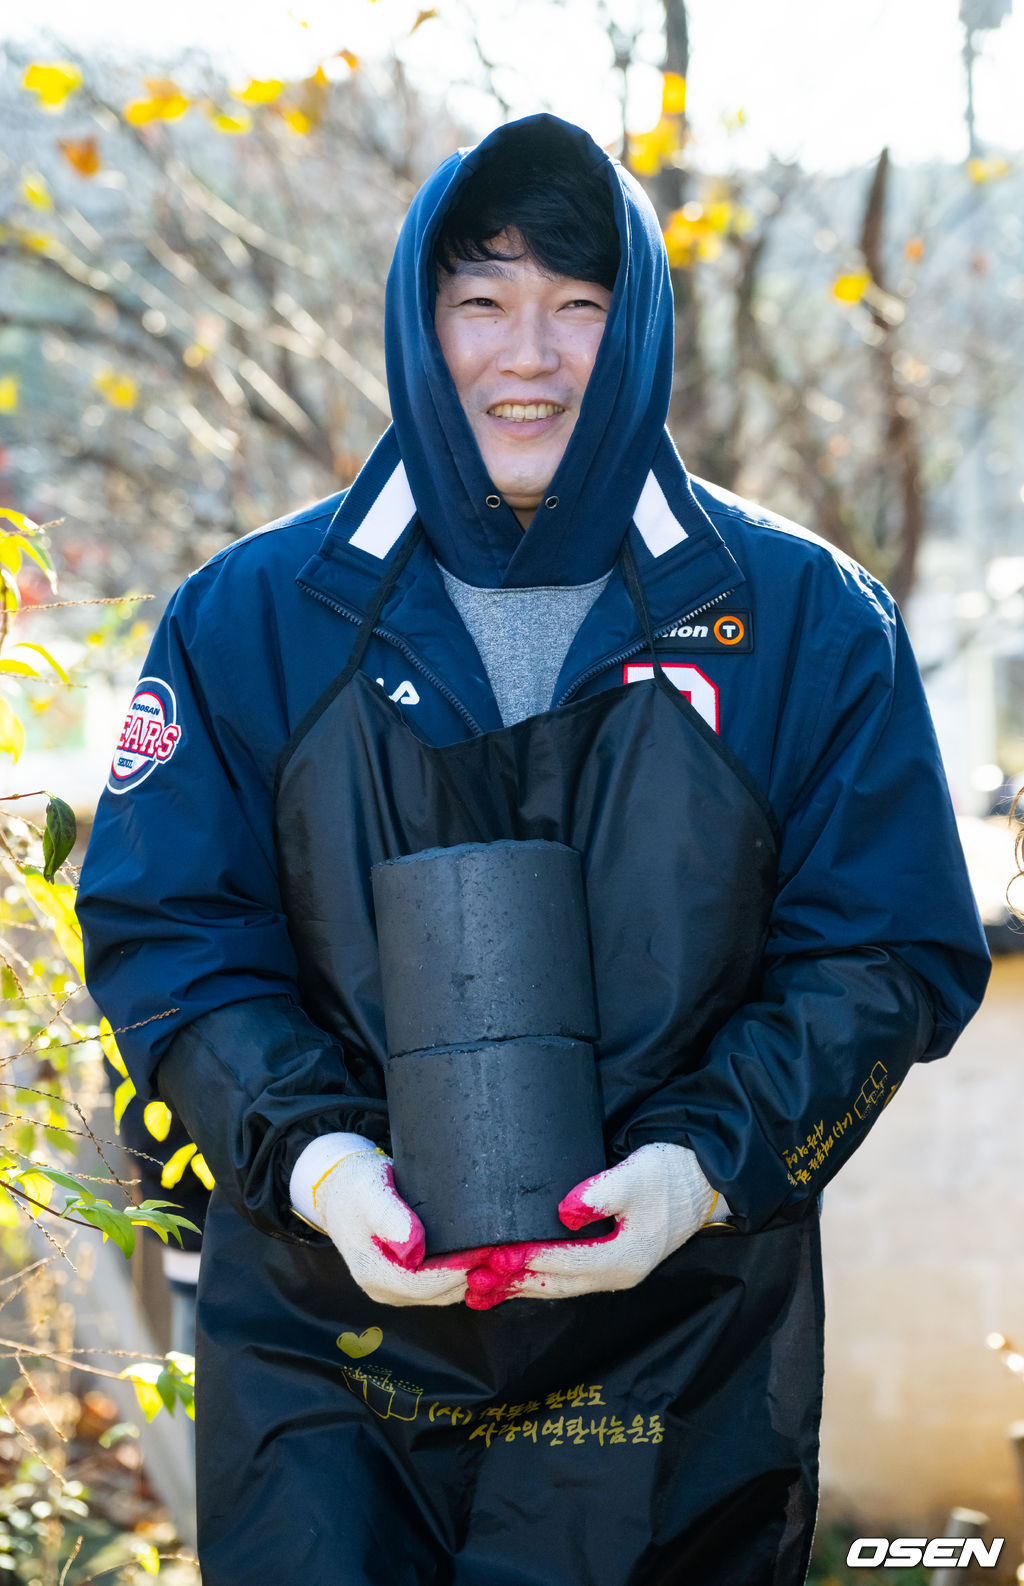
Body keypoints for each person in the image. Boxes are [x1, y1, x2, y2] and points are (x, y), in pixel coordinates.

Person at [77, 115, 990, 1586]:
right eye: (483, 302)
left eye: (580, 306)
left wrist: (701, 1165)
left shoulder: (805, 619)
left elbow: (885, 950)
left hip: (675, 1347)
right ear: (416, 319)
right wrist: (314, 1163)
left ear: (637, 332)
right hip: (335, 1352)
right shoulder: (250, 617)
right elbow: (171, 933)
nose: (530, 355)